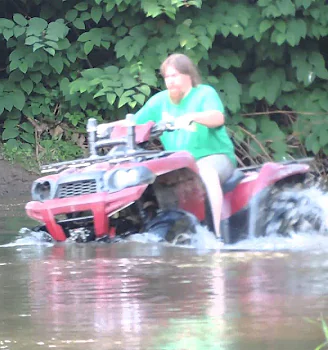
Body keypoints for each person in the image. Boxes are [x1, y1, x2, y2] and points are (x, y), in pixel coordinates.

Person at [101, 53, 237, 239]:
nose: (170, 81)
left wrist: (194, 116)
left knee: (207, 174)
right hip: (181, 166)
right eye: (166, 77)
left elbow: (217, 117)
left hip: (214, 156)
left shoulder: (204, 93)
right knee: (152, 179)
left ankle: (218, 235)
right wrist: (108, 127)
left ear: (188, 75)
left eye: (175, 76)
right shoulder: (160, 101)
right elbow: (135, 122)